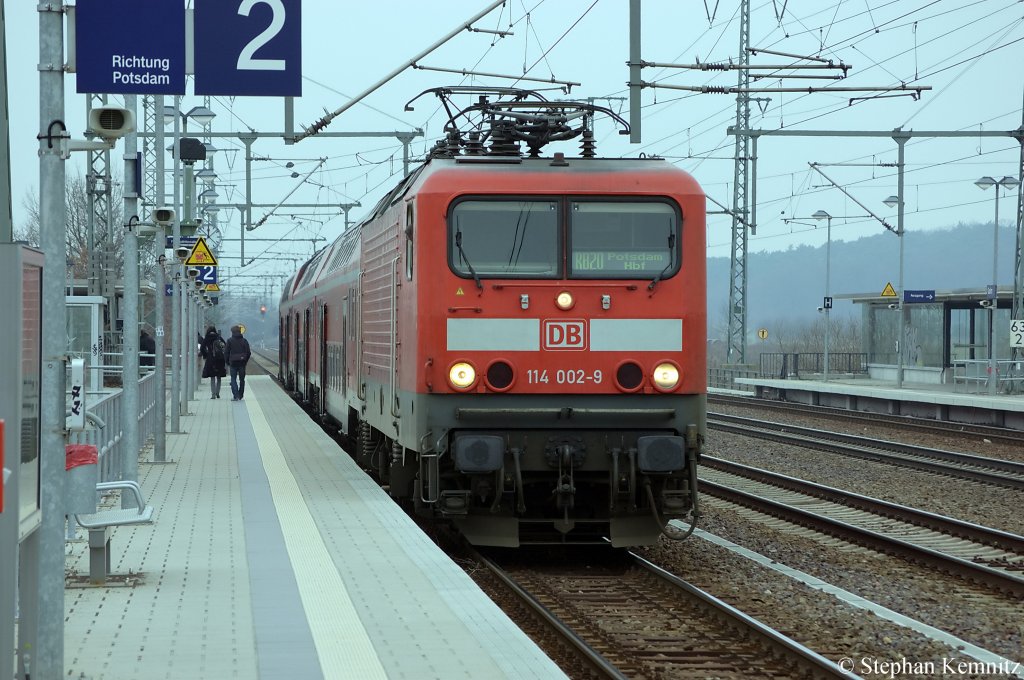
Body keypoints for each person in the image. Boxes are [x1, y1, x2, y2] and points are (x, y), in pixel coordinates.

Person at [224, 324, 251, 401]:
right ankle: (241, 394)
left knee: (233, 379)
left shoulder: (229, 341)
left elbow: (226, 353)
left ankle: (236, 395)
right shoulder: (244, 341)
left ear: (232, 332)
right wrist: (245, 360)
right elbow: (248, 352)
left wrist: (227, 362)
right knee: (242, 380)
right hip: (242, 363)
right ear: (240, 332)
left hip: (233, 363)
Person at [200, 326, 227, 398]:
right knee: (219, 376)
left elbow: (202, 348)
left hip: (210, 359)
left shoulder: (207, 338)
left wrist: (206, 355)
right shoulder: (218, 337)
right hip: (219, 359)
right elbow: (225, 346)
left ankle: (213, 394)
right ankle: (218, 392)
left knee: (212, 377)